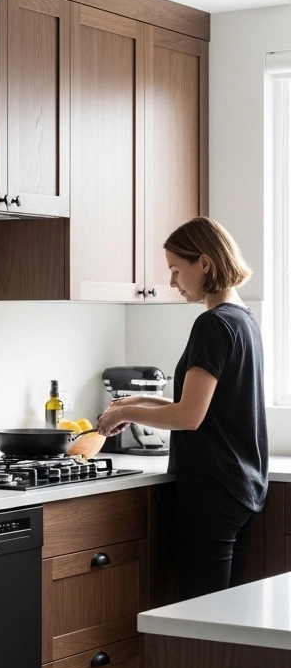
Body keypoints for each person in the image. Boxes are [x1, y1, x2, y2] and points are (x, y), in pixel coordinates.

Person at [97, 217, 268, 599]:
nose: (173, 282)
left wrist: (125, 414)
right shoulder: (244, 321)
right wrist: (135, 401)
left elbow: (188, 417)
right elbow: (204, 406)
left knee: (200, 618)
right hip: (240, 488)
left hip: (211, 490)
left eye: (176, 270)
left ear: (204, 263)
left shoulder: (212, 324)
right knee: (222, 615)